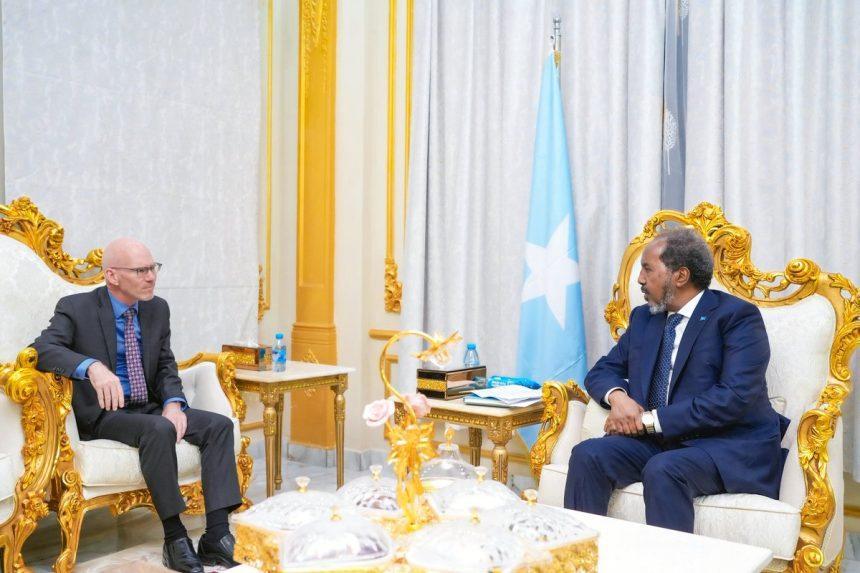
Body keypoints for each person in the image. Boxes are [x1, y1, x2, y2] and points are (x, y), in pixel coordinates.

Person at [33, 237, 241, 573]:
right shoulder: (76, 308)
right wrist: (92, 367)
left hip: (149, 406)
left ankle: (216, 536)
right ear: (112, 275)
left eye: (153, 268)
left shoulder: (157, 308)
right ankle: (175, 538)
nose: (151, 277)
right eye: (140, 270)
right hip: (105, 414)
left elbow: (165, 364)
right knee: (159, 429)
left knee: (218, 426)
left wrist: (173, 403)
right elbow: (42, 349)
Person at [565, 227, 788, 532]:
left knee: (664, 469)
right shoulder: (645, 318)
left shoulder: (737, 318)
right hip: (661, 443)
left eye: (647, 269)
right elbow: (602, 371)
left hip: (722, 445)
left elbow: (734, 396)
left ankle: (671, 558)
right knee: (588, 454)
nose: (640, 279)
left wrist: (646, 421)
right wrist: (619, 398)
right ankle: (579, 553)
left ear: (680, 276)